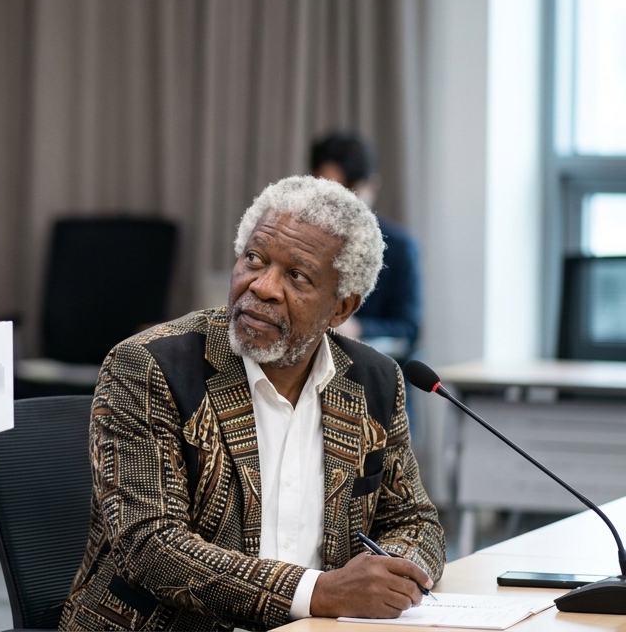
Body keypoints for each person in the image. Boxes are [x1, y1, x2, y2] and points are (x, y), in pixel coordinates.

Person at [61, 176, 445, 631]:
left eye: (297, 276)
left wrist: (389, 576)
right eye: (254, 259)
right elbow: (150, 546)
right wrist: (318, 592)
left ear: (341, 308)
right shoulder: (151, 367)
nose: (262, 286)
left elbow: (415, 520)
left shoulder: (373, 380)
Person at [310, 133, 422, 356]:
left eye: (348, 193)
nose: (338, 205)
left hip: (370, 364)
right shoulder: (301, 239)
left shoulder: (399, 247)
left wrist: (357, 328)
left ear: (372, 188)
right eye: (328, 192)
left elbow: (408, 330)